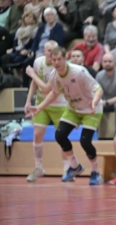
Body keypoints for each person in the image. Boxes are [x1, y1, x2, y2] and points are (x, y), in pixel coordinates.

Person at [26, 47, 104, 185]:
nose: (56, 62)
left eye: (59, 59)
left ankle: (95, 172)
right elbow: (54, 94)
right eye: (54, 59)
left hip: (91, 108)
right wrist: (39, 107)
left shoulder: (79, 72)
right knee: (60, 135)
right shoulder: (54, 76)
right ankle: (75, 167)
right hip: (73, 109)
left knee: (85, 142)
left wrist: (95, 101)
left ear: (65, 58)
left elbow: (98, 89)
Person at [24, 40, 69, 182]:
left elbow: (45, 88)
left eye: (54, 51)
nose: (51, 54)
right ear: (44, 51)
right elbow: (35, 83)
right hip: (41, 104)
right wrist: (28, 100)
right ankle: (39, 168)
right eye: (49, 50)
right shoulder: (38, 62)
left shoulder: (58, 67)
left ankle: (67, 169)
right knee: (37, 134)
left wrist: (31, 73)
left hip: (59, 105)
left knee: (62, 137)